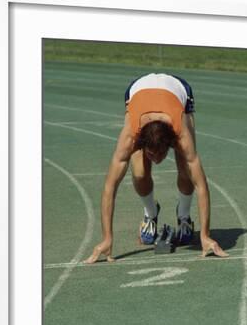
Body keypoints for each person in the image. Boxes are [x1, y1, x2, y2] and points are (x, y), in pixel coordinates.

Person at [85, 73, 228, 263]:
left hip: (178, 92)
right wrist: (107, 238)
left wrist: (205, 235)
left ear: (170, 143)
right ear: (141, 144)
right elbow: (109, 188)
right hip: (137, 90)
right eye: (151, 154)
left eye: (161, 153)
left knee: (186, 168)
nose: (157, 160)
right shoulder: (131, 135)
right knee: (140, 172)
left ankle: (184, 216)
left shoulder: (179, 131)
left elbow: (201, 185)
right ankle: (150, 214)